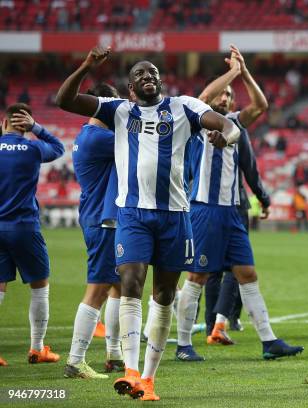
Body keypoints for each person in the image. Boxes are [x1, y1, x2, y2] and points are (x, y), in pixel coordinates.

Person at [56, 45, 240, 401]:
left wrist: (224, 137)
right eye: (139, 74)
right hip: (133, 213)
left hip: (174, 215)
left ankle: (149, 380)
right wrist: (85, 66)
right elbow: (64, 100)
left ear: (161, 80)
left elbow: (227, 125)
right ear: (130, 88)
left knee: (165, 295)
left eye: (153, 72)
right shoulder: (119, 111)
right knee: (129, 282)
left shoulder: (183, 106)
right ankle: (129, 369)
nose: (148, 76)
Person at [175, 45, 302, 361]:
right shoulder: (197, 121)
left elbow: (261, 104)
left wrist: (244, 71)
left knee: (246, 273)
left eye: (230, 95)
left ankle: (269, 341)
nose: (224, 98)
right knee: (197, 276)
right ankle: (182, 345)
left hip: (232, 212)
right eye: (223, 94)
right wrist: (231, 72)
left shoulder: (235, 123)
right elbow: (202, 98)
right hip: (204, 209)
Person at [64, 83, 123, 380]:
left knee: (118, 285)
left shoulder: (87, 134)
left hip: (98, 215)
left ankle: (114, 352)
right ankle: (75, 361)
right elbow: (137, 141)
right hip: (103, 220)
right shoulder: (101, 137)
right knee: (98, 289)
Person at [0, 103, 65, 366]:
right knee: (39, 287)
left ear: (4, 122)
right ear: (25, 123)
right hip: (24, 226)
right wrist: (36, 128)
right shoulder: (33, 148)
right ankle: (37, 348)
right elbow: (59, 148)